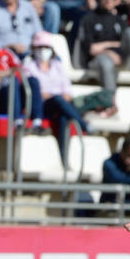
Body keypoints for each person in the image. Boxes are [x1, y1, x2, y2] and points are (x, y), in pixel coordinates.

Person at [22, 30, 89, 162]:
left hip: (59, 104)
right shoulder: (29, 66)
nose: (43, 50)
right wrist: (56, 96)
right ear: (34, 48)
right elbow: (35, 93)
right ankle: (83, 124)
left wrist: (58, 96)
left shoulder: (58, 66)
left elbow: (68, 91)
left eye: (46, 47)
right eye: (40, 47)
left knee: (63, 115)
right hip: (41, 106)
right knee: (58, 100)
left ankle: (63, 158)